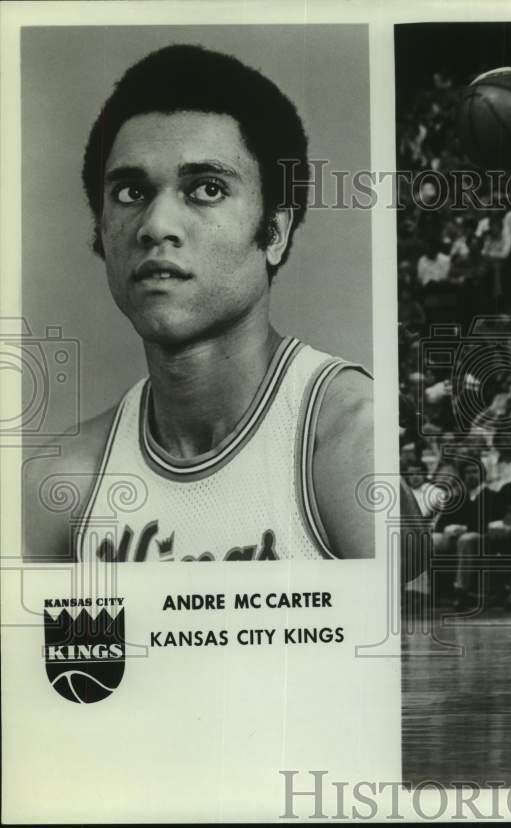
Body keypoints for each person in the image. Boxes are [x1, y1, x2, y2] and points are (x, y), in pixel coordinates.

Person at [23, 45, 374, 561]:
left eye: (206, 188)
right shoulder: (61, 484)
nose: (156, 225)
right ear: (101, 229)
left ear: (274, 232)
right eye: (130, 192)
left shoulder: (352, 443)